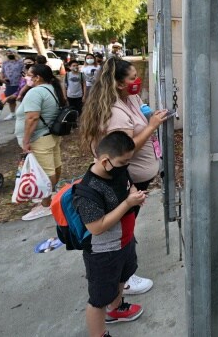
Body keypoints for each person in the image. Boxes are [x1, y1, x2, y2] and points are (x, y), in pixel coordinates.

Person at [79, 57, 167, 296]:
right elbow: (124, 149)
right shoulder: (115, 113)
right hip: (126, 180)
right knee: (121, 229)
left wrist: (148, 115)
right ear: (118, 83)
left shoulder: (129, 97)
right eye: (132, 78)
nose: (137, 80)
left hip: (135, 178)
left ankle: (123, 271)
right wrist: (152, 126)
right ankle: (123, 279)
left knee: (127, 224)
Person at [76, 131, 147, 336]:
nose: (126, 166)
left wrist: (135, 194)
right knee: (99, 299)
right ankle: (99, 333)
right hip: (103, 252)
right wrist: (128, 203)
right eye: (123, 162)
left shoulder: (118, 171)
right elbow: (96, 227)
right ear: (105, 161)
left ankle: (115, 309)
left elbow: (129, 185)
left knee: (123, 276)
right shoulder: (88, 191)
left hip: (125, 241)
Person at [15, 64, 65, 220]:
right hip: (50, 135)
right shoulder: (52, 88)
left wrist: (26, 141)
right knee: (54, 167)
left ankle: (46, 204)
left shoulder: (35, 92)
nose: (26, 77)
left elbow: (32, 118)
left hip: (39, 138)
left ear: (37, 77)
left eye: (29, 75)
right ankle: (50, 195)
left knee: (45, 172)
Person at [1, 50, 24, 120]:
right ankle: (12, 114)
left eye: (11, 53)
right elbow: (2, 72)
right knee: (10, 100)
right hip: (9, 84)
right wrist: (2, 79)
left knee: (22, 98)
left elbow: (24, 72)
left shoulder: (20, 62)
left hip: (19, 84)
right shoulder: (5, 62)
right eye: (7, 53)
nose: (9, 54)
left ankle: (23, 113)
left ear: (15, 53)